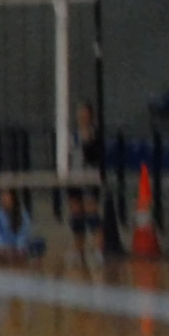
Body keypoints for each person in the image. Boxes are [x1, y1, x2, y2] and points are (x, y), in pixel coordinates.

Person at [67, 102, 106, 265]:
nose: (82, 118)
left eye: (85, 115)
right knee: (76, 216)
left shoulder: (94, 135)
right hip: (74, 178)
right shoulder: (71, 136)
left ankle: (98, 251)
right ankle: (78, 251)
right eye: (80, 114)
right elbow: (67, 156)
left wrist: (88, 143)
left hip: (89, 178)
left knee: (92, 216)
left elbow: (97, 157)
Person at [0, 188, 45, 263]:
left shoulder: (20, 210)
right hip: (1, 245)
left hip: (17, 245)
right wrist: (1, 245)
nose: (3, 199)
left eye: (6, 196)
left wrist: (19, 246)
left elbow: (25, 229)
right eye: (2, 196)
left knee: (38, 243)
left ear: (12, 198)